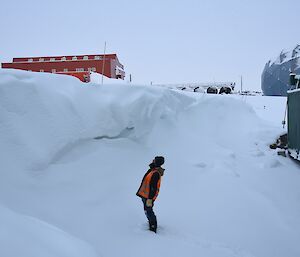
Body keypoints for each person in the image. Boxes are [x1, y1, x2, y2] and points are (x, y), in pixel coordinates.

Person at [136, 156, 165, 233]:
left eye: (154, 160)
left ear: (156, 162)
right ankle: (151, 223)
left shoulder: (155, 173)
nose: (152, 160)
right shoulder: (152, 170)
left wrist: (150, 199)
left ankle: (153, 227)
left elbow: (154, 188)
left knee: (148, 211)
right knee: (147, 210)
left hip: (148, 197)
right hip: (145, 195)